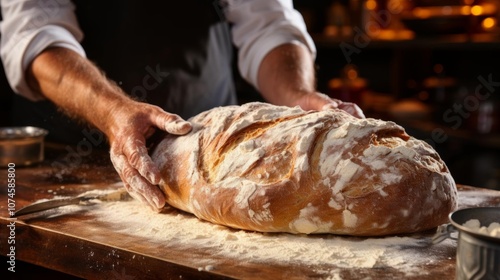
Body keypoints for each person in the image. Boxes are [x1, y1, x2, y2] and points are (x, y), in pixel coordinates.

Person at [0, 0, 364, 211]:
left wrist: (296, 96)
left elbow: (268, 24)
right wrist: (113, 113)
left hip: (219, 148)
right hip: (77, 155)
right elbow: (36, 34)